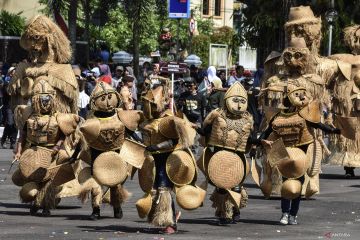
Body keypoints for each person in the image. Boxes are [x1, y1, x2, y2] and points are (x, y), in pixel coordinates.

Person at [258, 82, 341, 225]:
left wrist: (333, 130)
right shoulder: (277, 116)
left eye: (302, 94)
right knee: (285, 182)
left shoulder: (304, 115)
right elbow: (267, 132)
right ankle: (285, 213)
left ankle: (293, 215)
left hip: (302, 151)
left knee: (299, 183)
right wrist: (259, 141)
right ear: (289, 99)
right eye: (296, 95)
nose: (301, 97)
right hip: (285, 152)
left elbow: (318, 125)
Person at [138, 82, 201, 234]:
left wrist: (157, 147)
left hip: (167, 160)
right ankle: (162, 218)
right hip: (153, 160)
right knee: (156, 190)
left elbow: (174, 141)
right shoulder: (148, 121)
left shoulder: (169, 119)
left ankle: (170, 223)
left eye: (153, 104)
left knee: (163, 189)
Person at [13, 79, 80, 216]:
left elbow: (63, 135)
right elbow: (22, 136)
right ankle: (36, 202)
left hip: (53, 153)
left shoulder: (59, 118)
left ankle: (45, 206)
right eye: (42, 100)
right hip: (33, 153)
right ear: (36, 100)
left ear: (52, 100)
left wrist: (57, 147)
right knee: (34, 180)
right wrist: (19, 152)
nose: (45, 104)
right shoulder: (29, 117)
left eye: (47, 100)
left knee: (49, 182)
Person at [79, 82, 143, 220]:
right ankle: (96, 210)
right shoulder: (91, 118)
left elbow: (130, 132)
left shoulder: (120, 115)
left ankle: (117, 206)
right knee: (95, 182)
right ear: (95, 101)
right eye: (103, 99)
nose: (108, 103)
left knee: (115, 183)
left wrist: (142, 144)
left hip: (117, 153)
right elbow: (83, 138)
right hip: (97, 153)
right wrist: (74, 155)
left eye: (110, 97)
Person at [196, 82, 258, 225]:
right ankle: (224, 213)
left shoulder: (248, 119)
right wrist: (195, 128)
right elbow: (206, 132)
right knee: (222, 186)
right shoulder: (216, 115)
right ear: (227, 100)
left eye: (242, 101)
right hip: (219, 155)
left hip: (238, 157)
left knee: (236, 186)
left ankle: (235, 210)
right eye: (235, 100)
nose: (238, 105)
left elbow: (251, 138)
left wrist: (259, 143)